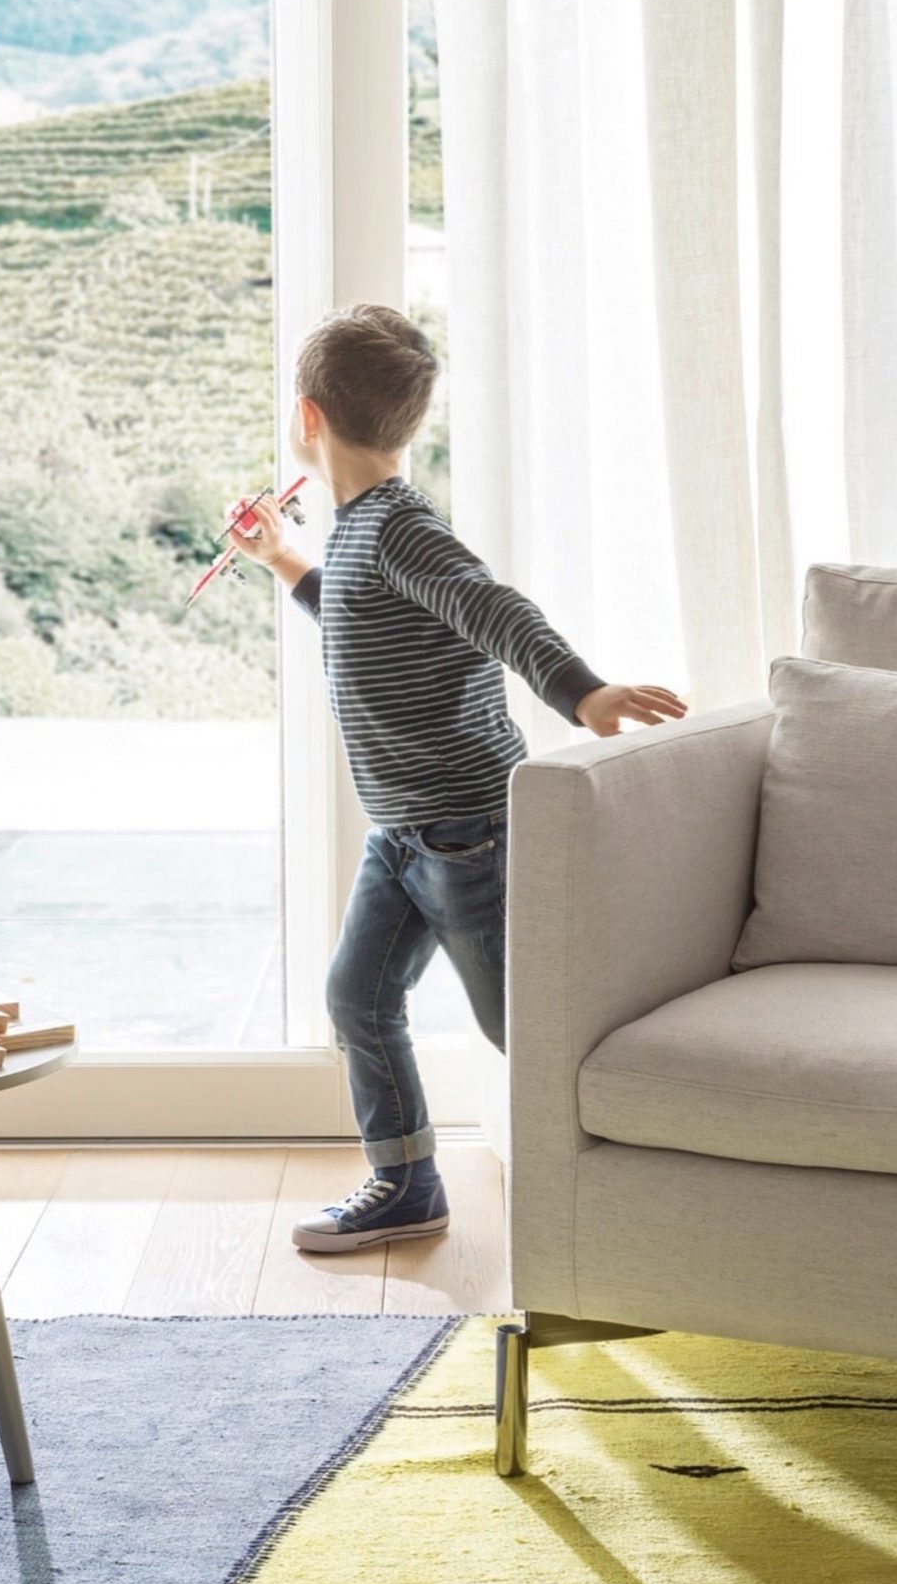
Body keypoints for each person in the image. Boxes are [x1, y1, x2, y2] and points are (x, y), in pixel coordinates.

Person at [237, 304, 686, 1250]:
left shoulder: (401, 528)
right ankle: (407, 1185)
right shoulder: (360, 532)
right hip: (406, 833)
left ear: (308, 419)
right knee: (357, 999)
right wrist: (283, 560)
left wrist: (584, 694)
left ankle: (649, 1178)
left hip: (471, 832)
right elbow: (357, 616)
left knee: (526, 1030)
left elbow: (497, 611)